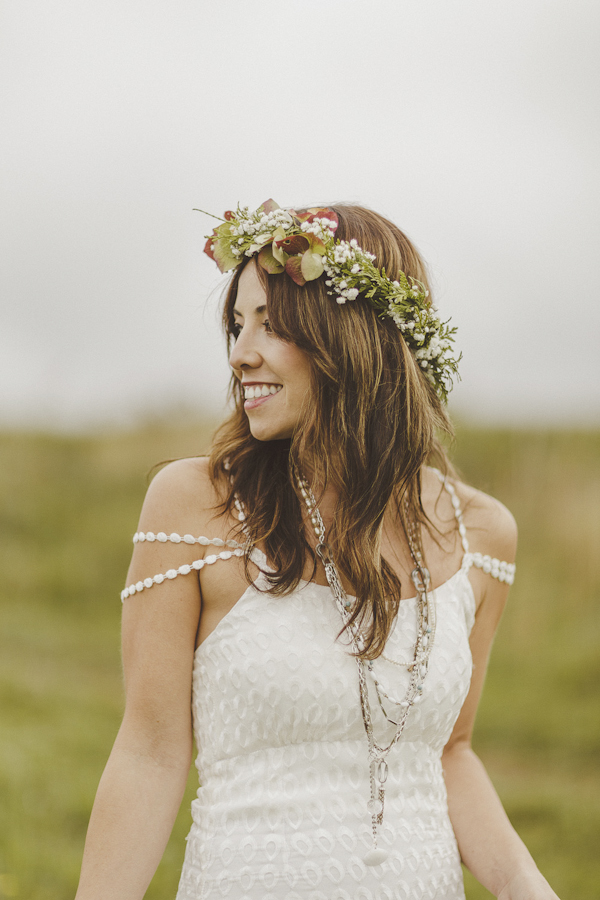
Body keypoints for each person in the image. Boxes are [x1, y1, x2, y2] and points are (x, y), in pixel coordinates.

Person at [75, 201, 560, 900]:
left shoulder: (482, 533)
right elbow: (150, 752)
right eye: (238, 325)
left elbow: (450, 753)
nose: (242, 352)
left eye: (271, 325)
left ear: (353, 336)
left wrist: (525, 886)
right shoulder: (195, 504)